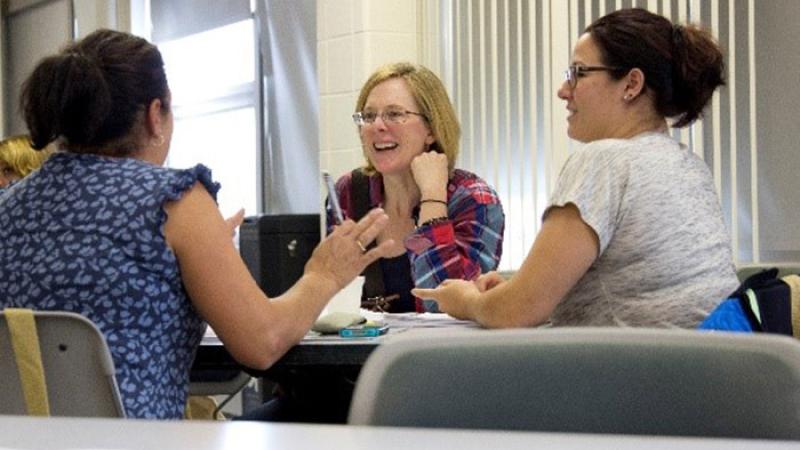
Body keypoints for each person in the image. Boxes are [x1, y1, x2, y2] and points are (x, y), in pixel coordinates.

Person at [0, 29, 392, 419]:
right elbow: (262, 341)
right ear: (156, 114)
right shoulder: (172, 200)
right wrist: (325, 273)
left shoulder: (9, 204)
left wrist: (196, 254)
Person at [414, 8, 738, 329]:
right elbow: (637, 290)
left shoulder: (605, 161)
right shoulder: (687, 165)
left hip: (638, 375)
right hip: (704, 369)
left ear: (632, 84)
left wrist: (466, 301)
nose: (563, 90)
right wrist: (512, 292)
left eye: (578, 73)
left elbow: (516, 312)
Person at [328, 62, 505, 313]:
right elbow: (331, 300)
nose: (377, 125)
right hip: (360, 349)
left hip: (435, 351)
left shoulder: (474, 200)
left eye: (394, 114)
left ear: (431, 129)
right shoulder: (348, 192)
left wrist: (433, 199)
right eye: (368, 116)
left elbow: (445, 308)